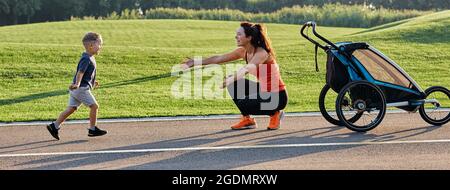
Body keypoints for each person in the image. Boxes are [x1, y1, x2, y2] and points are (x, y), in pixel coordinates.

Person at [181, 22, 288, 130]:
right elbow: (219, 58)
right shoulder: (243, 52)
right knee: (234, 84)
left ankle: (275, 113)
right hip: (263, 90)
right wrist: (194, 62)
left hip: (278, 96)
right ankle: (248, 120)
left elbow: (247, 68)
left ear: (249, 37)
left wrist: (232, 78)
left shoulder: (262, 53)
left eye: (239, 34)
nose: (236, 36)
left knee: (244, 103)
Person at [46, 32, 107, 140]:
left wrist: (93, 82)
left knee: (71, 109)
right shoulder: (86, 58)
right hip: (80, 89)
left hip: (77, 89)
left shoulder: (89, 57)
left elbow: (87, 74)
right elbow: (80, 72)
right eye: (99, 44)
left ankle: (54, 126)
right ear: (91, 45)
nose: (100, 47)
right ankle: (92, 129)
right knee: (94, 106)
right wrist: (78, 84)